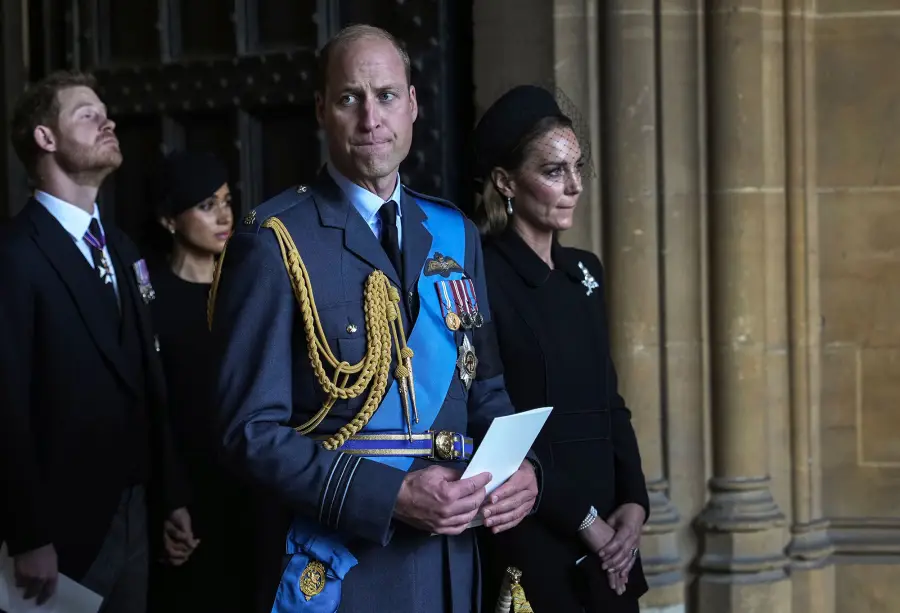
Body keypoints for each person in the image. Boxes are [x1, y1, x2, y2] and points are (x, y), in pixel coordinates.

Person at [207, 25, 540, 613]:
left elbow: (484, 388)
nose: (370, 118)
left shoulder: (455, 234)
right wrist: (389, 496)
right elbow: (249, 433)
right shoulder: (275, 240)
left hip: (450, 562)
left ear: (413, 105)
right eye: (348, 98)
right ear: (320, 110)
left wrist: (524, 471)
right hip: (345, 570)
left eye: (386, 96)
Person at [0, 71, 196, 613]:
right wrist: (27, 534)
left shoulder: (124, 248)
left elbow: (148, 381)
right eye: (87, 114)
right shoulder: (15, 255)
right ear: (45, 138)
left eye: (105, 111)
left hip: (135, 514)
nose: (108, 121)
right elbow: (6, 403)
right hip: (59, 533)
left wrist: (170, 496)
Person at [471, 85, 651, 613]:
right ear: (506, 182)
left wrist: (634, 503)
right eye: (553, 171)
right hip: (534, 526)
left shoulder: (584, 272)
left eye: (577, 167)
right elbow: (490, 421)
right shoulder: (481, 276)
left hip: (610, 534)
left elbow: (610, 402)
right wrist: (584, 520)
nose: (574, 186)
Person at [144, 150, 252, 613]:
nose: (224, 215)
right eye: (207, 205)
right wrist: (170, 500)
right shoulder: (147, 297)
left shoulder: (249, 286)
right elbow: (151, 407)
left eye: (226, 201)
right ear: (170, 220)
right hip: (183, 490)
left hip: (250, 486)